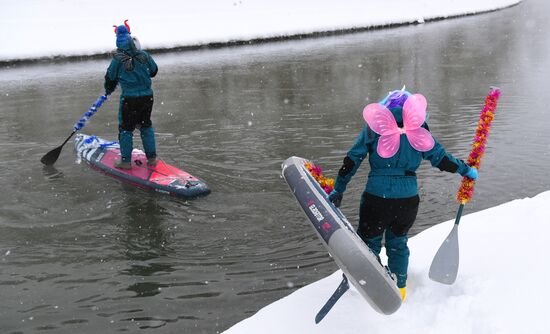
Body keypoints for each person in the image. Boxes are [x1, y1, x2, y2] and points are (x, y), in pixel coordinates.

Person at [328, 88, 477, 301]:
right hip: (408, 201)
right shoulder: (420, 128)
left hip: (377, 199)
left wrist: (338, 189)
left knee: (369, 243)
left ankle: (372, 288)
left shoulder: (375, 127)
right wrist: (467, 170)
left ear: (385, 106)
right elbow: (441, 158)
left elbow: (352, 159)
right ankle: (400, 289)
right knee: (398, 244)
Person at [104, 20, 159, 169]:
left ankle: (126, 162)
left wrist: (108, 90)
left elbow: (110, 78)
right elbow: (153, 71)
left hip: (130, 99)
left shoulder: (117, 59)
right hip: (148, 97)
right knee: (145, 125)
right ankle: (152, 159)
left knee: (126, 129)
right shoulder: (144, 55)